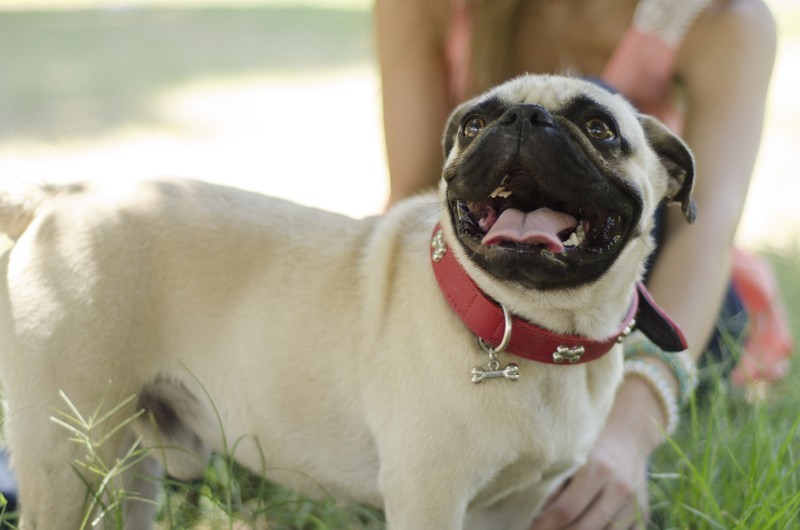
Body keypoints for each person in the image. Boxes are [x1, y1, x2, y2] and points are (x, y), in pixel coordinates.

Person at [375, 0, 781, 527]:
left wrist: (628, 434)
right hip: (483, 270)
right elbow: (418, 191)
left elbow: (703, 236)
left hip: (663, 287)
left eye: (596, 129)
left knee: (593, 88)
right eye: (483, 121)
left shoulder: (726, 17)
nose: (526, 125)